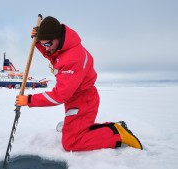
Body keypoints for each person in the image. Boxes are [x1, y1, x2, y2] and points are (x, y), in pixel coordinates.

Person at [16, 16, 143, 151]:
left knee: (72, 143)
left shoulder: (73, 58)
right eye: (43, 44)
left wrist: (29, 100)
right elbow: (51, 54)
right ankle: (112, 128)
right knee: (74, 133)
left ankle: (117, 134)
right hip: (76, 97)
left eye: (47, 44)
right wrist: (37, 42)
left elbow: (59, 95)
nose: (46, 49)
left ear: (58, 37)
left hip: (83, 100)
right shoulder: (63, 48)